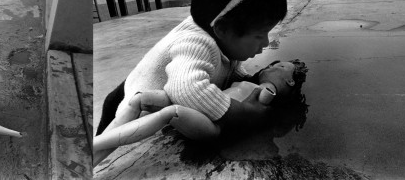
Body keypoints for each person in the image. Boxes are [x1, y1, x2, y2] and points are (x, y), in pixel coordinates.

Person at [93, 0, 288, 165]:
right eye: (259, 35)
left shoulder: (219, 35)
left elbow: (226, 71)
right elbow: (185, 89)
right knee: (101, 155)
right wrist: (243, 112)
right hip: (129, 102)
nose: (266, 43)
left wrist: (253, 80)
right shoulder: (195, 42)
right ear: (223, 29)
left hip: (147, 95)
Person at [93, 60, 308, 152]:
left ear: (289, 82)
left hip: (212, 125)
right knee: (141, 98)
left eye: (279, 66)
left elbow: (269, 97)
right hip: (202, 105)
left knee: (171, 113)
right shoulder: (249, 80)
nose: (272, 65)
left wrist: (276, 89)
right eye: (273, 63)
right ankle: (97, 148)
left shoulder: (265, 94)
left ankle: (94, 148)